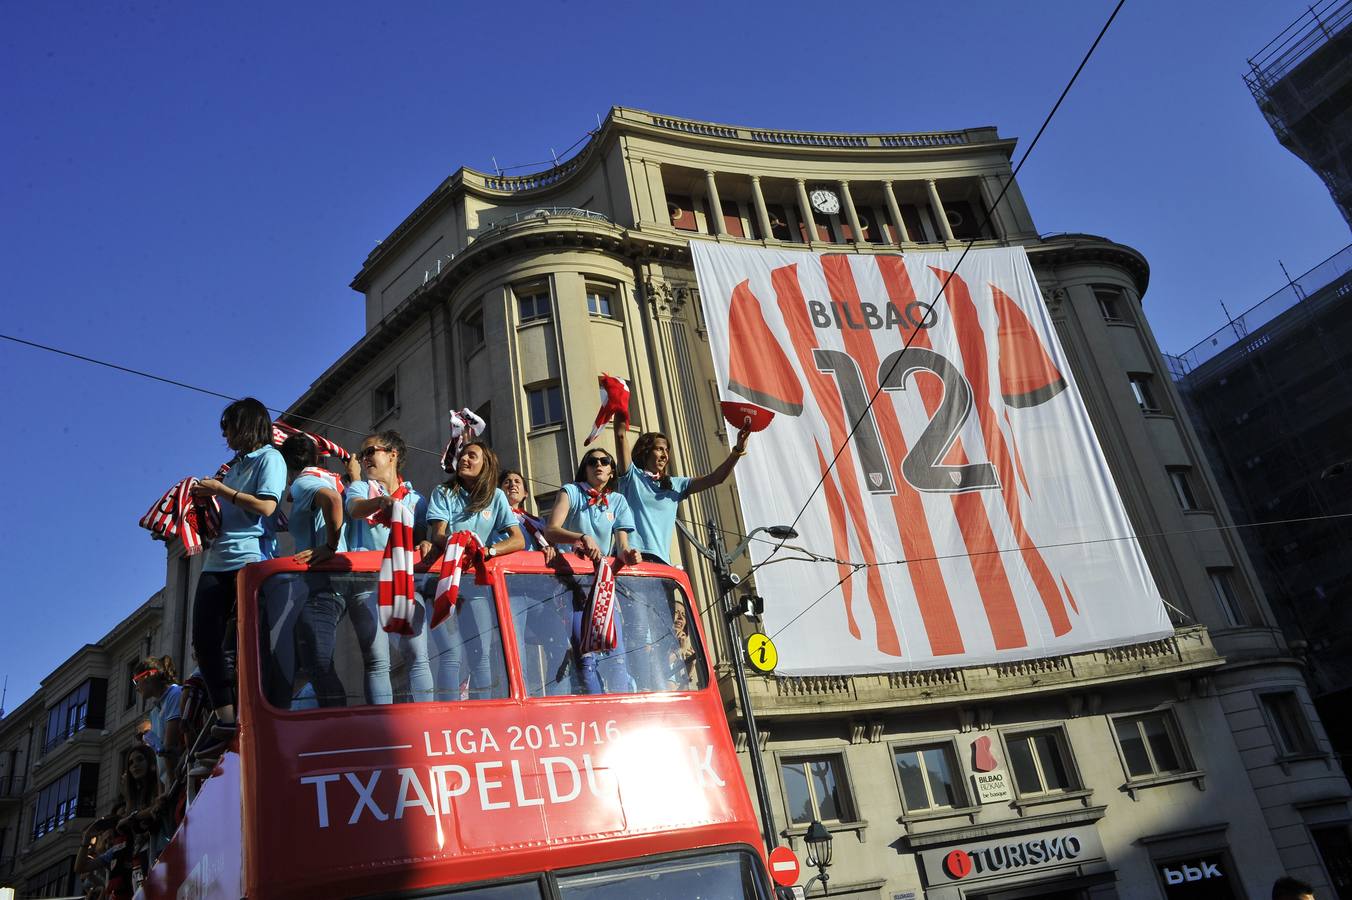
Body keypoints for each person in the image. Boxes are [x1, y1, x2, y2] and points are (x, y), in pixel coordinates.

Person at [188, 398, 285, 769]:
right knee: (204, 640)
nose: (224, 434)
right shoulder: (233, 468)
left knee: (246, 643)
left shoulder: (269, 459)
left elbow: (266, 508)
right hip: (217, 559)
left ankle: (259, 709)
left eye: (228, 426)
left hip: (251, 560)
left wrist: (220, 491)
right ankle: (226, 715)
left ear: (246, 425)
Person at [426, 440, 524, 699]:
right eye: (462, 455)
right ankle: (447, 713)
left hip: (477, 587)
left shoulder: (497, 496)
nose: (464, 459)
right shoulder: (443, 491)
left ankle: (485, 714)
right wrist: (456, 544)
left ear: (486, 465)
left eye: (472, 455)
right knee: (452, 654)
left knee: (481, 655)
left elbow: (518, 539)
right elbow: (437, 534)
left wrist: (488, 551)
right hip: (445, 580)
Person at [344, 430, 433, 704]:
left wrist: (426, 545)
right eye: (361, 455)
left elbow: (420, 541)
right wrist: (380, 502)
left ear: (392, 454)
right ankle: (382, 728)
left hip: (405, 583)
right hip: (365, 584)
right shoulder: (359, 487)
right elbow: (355, 509)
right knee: (377, 660)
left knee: (418, 656)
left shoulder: (417, 500)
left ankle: (425, 722)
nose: (364, 459)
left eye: (370, 451)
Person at [544, 447, 641, 694]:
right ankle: (600, 715)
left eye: (604, 461)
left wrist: (629, 554)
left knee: (617, 660)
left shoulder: (618, 501)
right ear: (584, 469)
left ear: (611, 471)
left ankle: (620, 718)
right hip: (572, 588)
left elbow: (622, 546)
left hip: (604, 588)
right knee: (586, 660)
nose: (598, 464)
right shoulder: (571, 492)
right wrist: (581, 537)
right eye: (592, 461)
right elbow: (551, 530)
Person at [613, 424, 752, 564]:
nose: (664, 455)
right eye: (659, 449)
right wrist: (620, 406)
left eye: (667, 450)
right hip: (628, 558)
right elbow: (620, 435)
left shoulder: (676, 485)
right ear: (646, 451)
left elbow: (716, 478)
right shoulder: (631, 477)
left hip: (660, 563)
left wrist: (737, 451)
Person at [278, 434, 348, 708]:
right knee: (314, 661)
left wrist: (329, 546)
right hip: (332, 582)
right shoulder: (328, 477)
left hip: (322, 583)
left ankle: (339, 728)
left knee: (318, 663)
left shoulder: (304, 483)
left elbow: (332, 500)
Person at [132, 657, 182, 791]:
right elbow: (159, 759)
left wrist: (171, 789)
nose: (136, 688)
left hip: (180, 780)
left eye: (137, 681)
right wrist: (162, 795)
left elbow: (169, 747)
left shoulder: (175, 694)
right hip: (170, 785)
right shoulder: (154, 712)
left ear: (149, 675)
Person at [498, 469, 555, 561]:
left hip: (533, 567)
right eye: (507, 482)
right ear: (499, 492)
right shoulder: (494, 516)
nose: (513, 485)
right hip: (507, 564)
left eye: (517, 481)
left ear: (525, 494)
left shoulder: (538, 522)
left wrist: (548, 549)